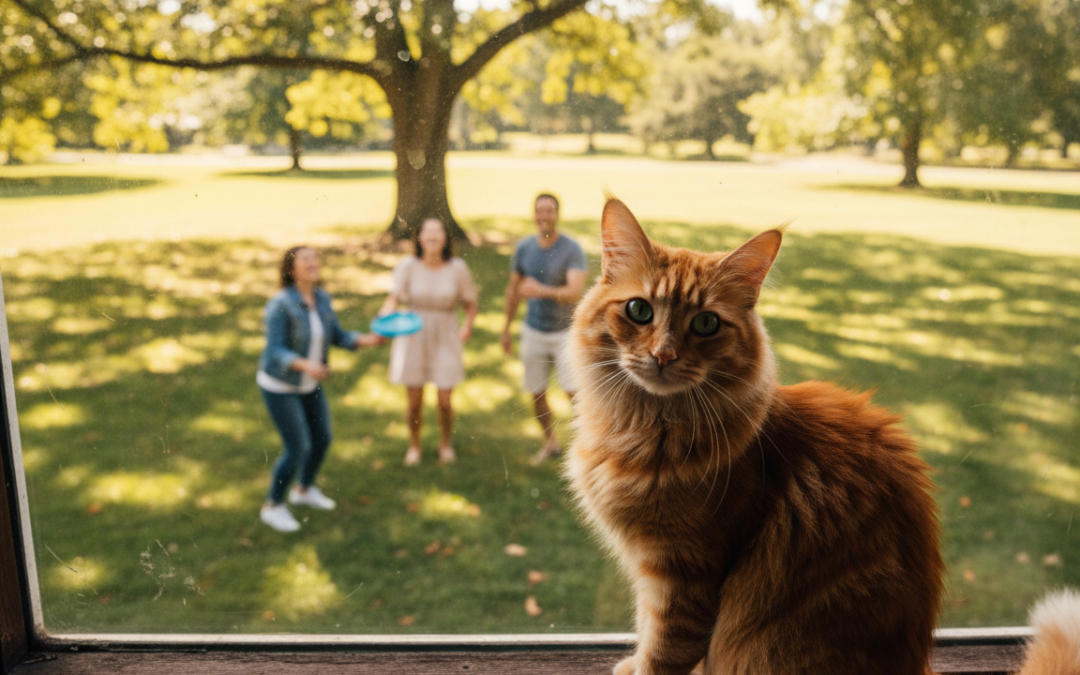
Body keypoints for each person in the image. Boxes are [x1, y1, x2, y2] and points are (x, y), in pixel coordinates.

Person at [257, 246, 383, 532]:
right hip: (281, 386)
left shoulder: (322, 298)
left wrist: (368, 340)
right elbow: (274, 351)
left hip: (309, 383)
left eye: (315, 258)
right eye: (305, 259)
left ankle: (303, 490)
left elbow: (336, 335)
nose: (313, 262)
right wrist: (306, 365)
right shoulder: (280, 304)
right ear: (291, 270)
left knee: (322, 439)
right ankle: (273, 506)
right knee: (298, 447)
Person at [379, 217, 478, 466]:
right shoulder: (408, 266)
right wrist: (387, 311)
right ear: (419, 237)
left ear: (445, 238)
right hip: (414, 335)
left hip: (446, 335)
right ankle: (415, 445)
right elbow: (394, 297)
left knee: (444, 400)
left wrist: (467, 325)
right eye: (427, 232)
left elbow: (470, 302)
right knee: (414, 402)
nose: (433, 236)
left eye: (438, 232)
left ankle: (445, 444)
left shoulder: (457, 268)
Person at [500, 193, 587, 464]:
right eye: (540, 211)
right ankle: (550, 443)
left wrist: (541, 290)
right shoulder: (525, 248)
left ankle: (586, 446)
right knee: (536, 393)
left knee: (575, 393)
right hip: (533, 331)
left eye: (549, 211)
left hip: (565, 333)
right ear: (534, 215)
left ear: (557, 215)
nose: (544, 216)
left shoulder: (572, 249)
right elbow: (513, 289)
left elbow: (575, 292)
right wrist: (506, 328)